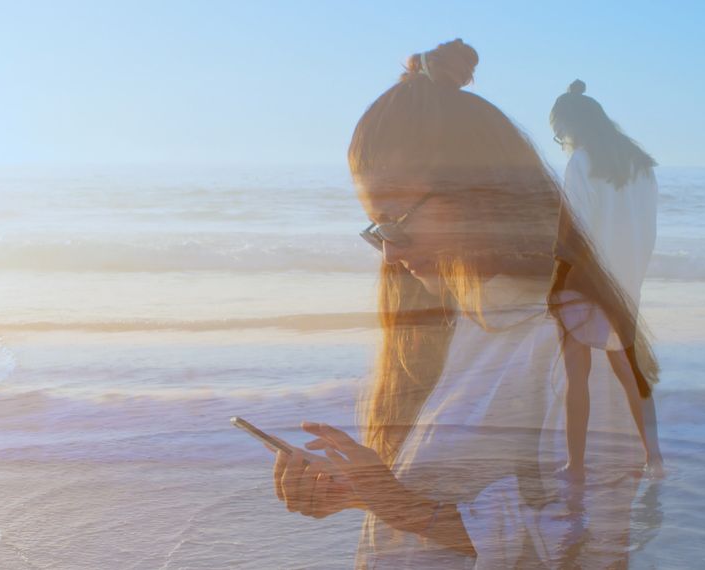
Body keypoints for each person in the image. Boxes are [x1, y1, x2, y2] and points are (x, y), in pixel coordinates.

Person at [268, 40, 657, 567]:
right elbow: (451, 507)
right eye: (374, 226)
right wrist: (360, 493)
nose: (388, 250)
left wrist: (398, 505)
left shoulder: (567, 349)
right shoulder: (455, 329)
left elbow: (592, 545)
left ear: (480, 195)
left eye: (396, 219)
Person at [550, 79, 665, 480]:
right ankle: (654, 457)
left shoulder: (581, 162)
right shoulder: (641, 164)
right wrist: (633, 276)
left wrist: (557, 284)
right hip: (625, 280)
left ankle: (576, 466)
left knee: (576, 375)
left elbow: (575, 230)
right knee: (632, 373)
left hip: (585, 280)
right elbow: (646, 228)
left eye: (559, 131)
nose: (560, 139)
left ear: (572, 126)